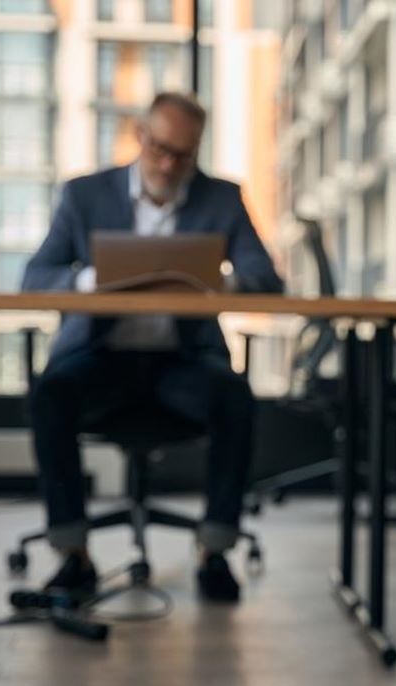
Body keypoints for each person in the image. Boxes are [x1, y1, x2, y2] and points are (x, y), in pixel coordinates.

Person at [22, 92, 283, 603]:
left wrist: (217, 282)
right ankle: (73, 554)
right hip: (101, 359)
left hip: (182, 362)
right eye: (159, 148)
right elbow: (35, 275)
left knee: (234, 398)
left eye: (182, 155)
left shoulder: (221, 198)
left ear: (197, 151)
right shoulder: (84, 196)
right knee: (49, 394)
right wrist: (93, 279)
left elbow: (266, 279)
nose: (168, 163)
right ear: (140, 136)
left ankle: (215, 550)